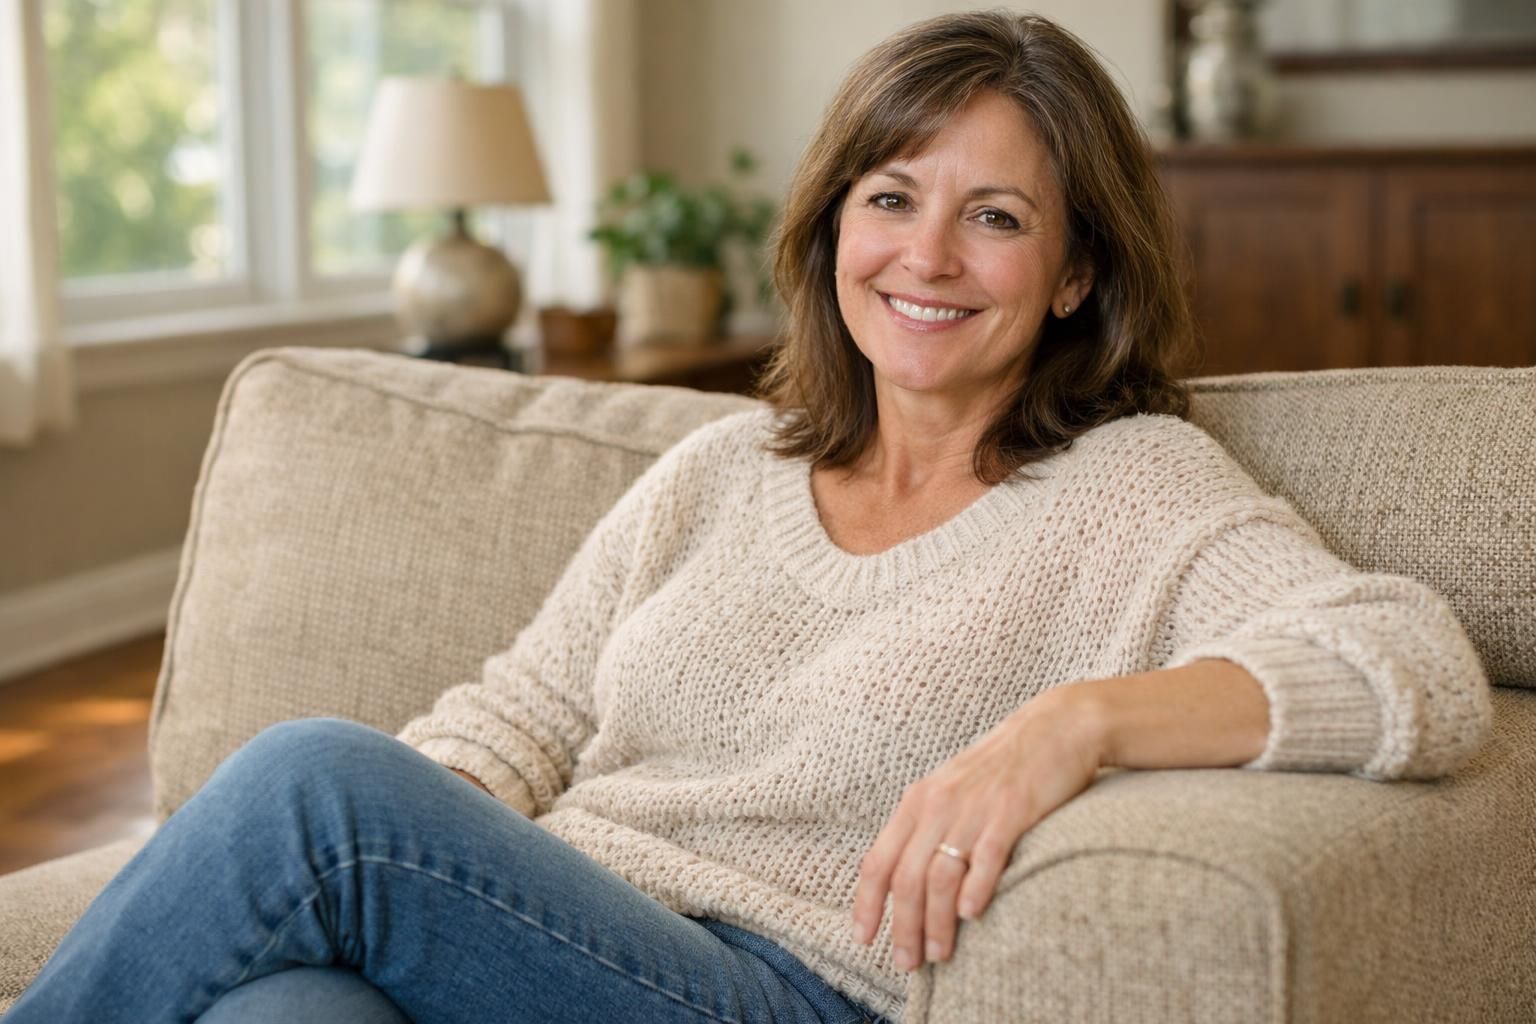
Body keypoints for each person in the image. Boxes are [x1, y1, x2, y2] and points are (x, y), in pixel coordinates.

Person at [8, 11, 1491, 1024]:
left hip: (769, 988)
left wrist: (1075, 725)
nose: (929, 255)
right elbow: (521, 713)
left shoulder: (1131, 489)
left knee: (313, 785)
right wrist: (412, 856)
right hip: (550, 942)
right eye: (893, 197)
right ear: (836, 223)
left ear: (1078, 273)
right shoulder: (729, 470)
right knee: (286, 1005)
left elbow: (1411, 666)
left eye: (998, 216)